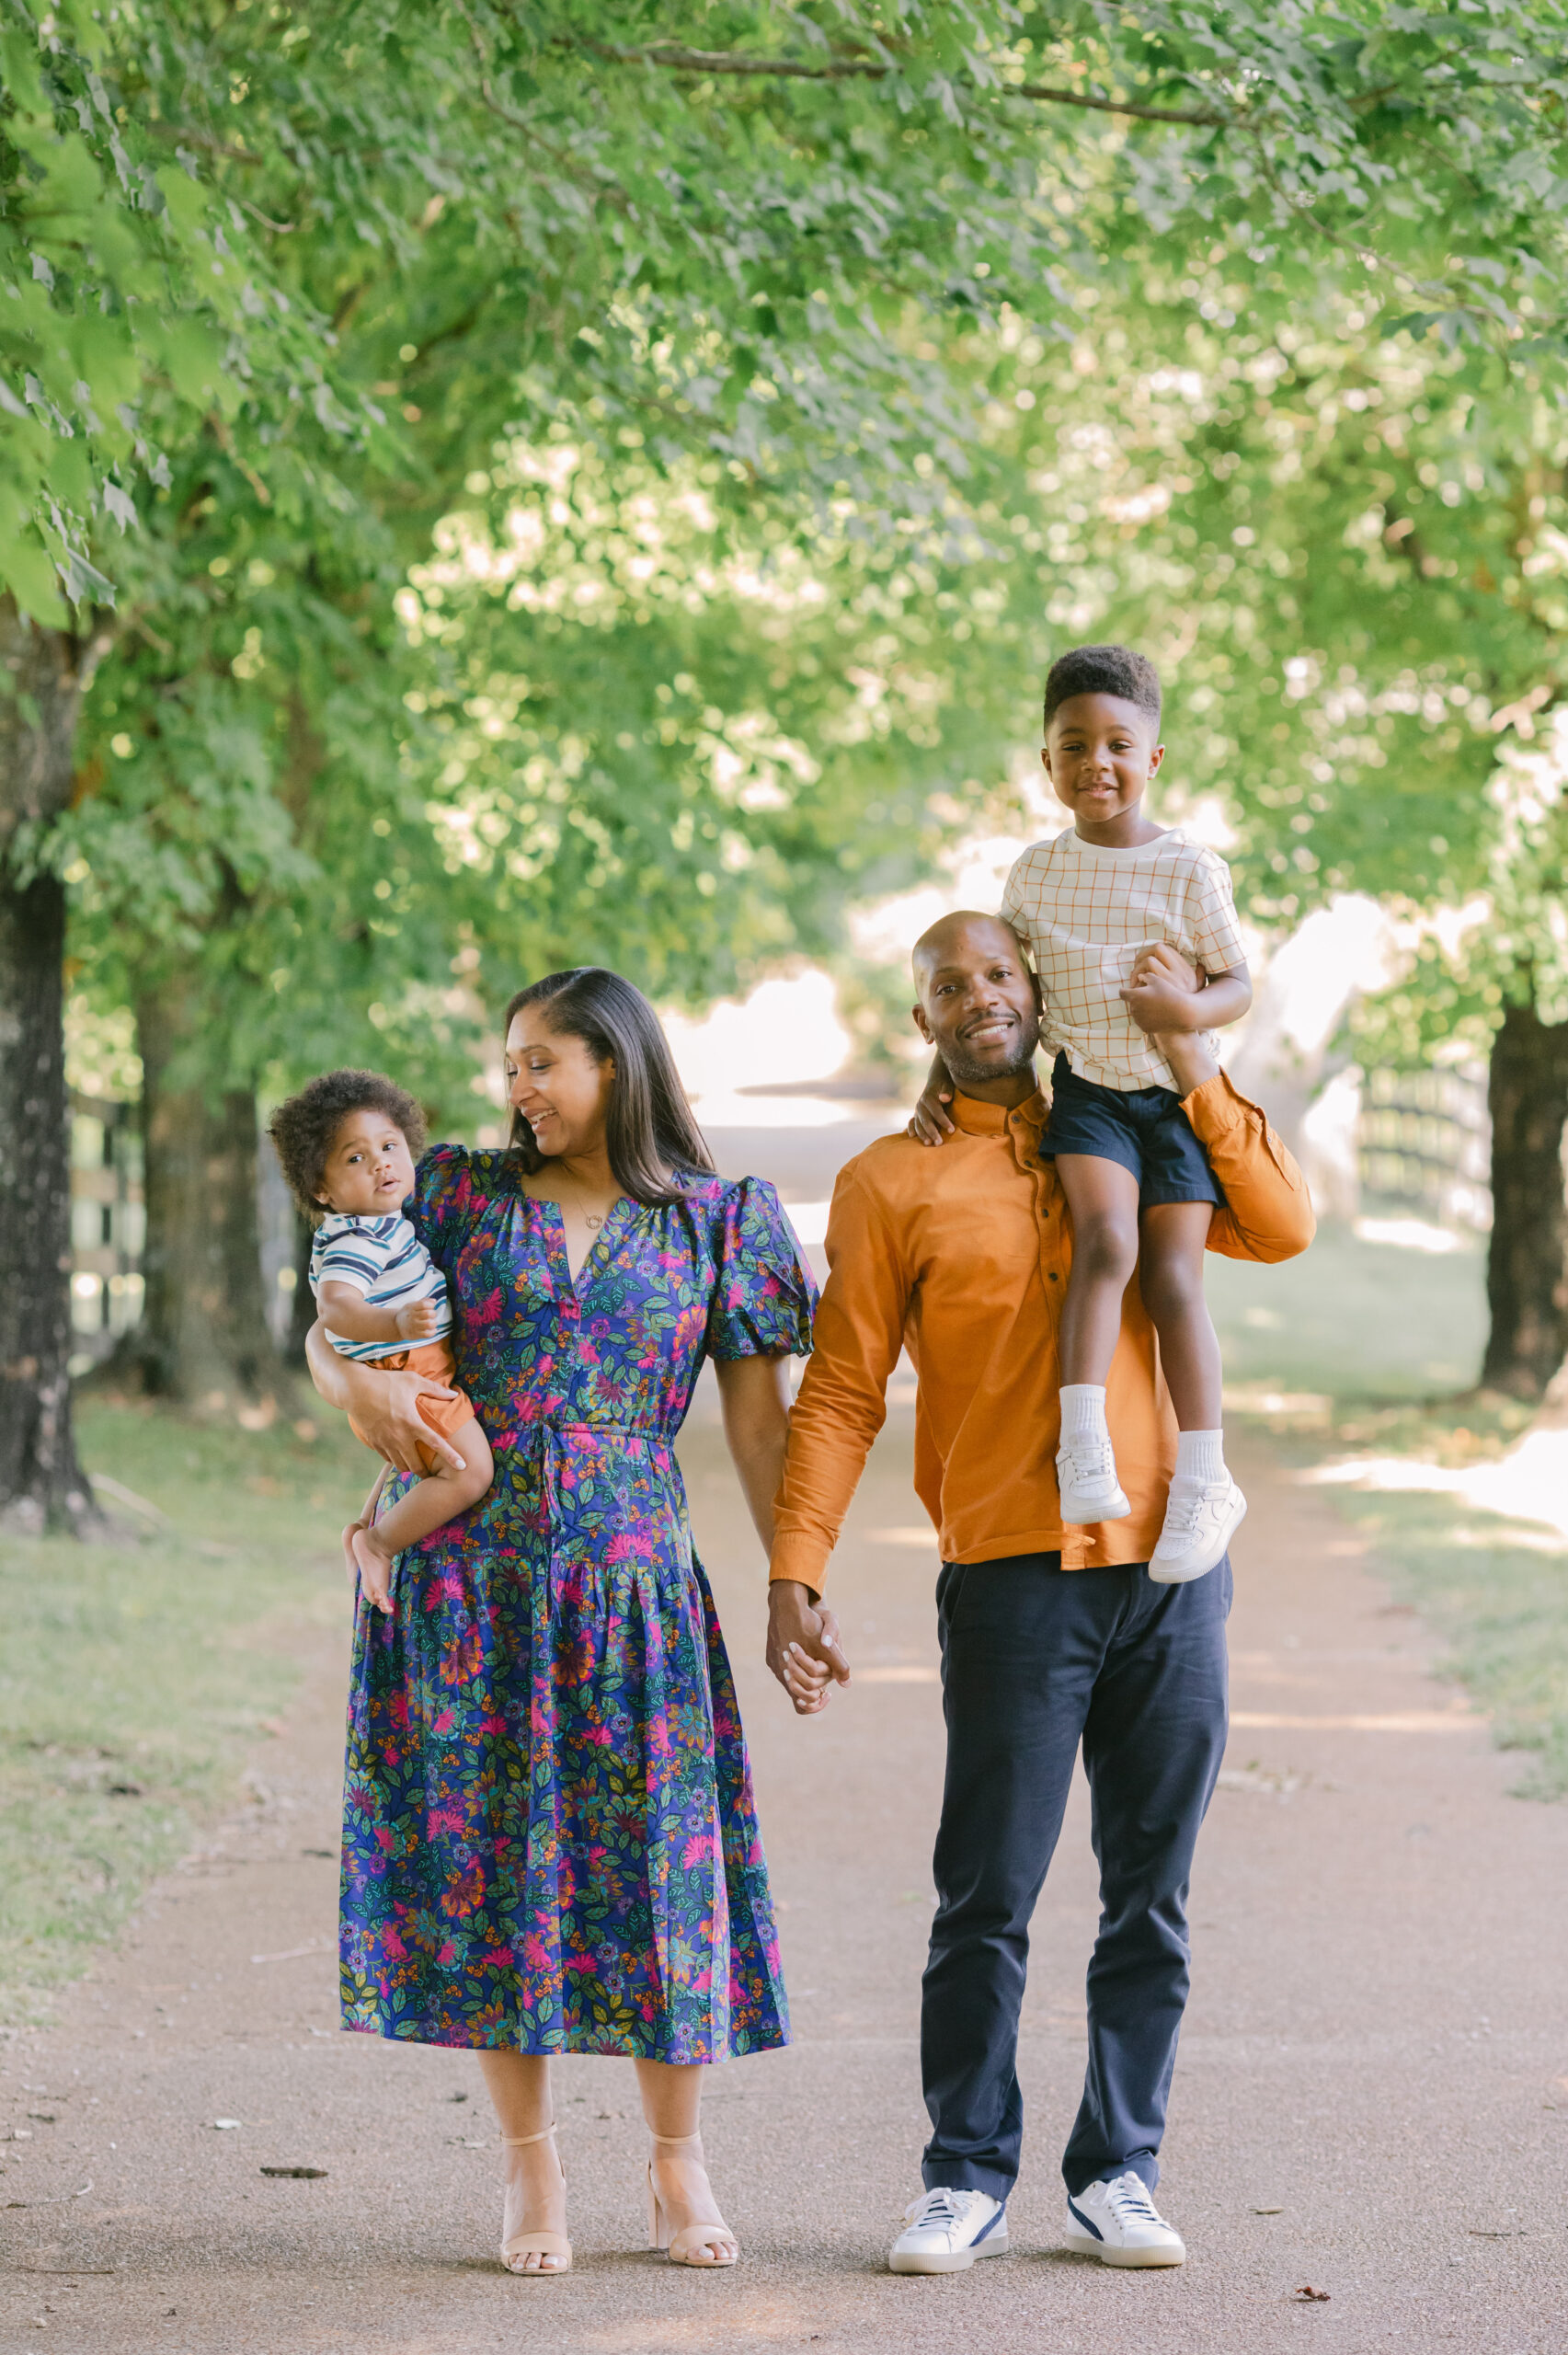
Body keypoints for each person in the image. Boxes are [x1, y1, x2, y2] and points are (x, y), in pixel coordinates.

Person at [767, 912, 1313, 2277]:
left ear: (1036, 987)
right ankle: (962, 2176)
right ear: (923, 1019)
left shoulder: (1132, 1134)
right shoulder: (889, 1184)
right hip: (1011, 1576)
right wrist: (794, 1569)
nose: (978, 998)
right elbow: (841, 1391)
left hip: (1173, 1571)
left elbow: (1286, 1225)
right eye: (948, 985)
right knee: (985, 1895)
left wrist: (1186, 1053)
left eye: (999, 975)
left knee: (1152, 1895)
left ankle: (1119, 2169)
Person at [304, 968, 815, 2277]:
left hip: (637, 1582)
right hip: (472, 1579)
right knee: (497, 1873)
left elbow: (759, 1426)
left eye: (543, 1062)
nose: (517, 1088)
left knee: (662, 1868)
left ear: (617, 1064)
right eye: (511, 1064)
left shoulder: (720, 1218)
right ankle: (532, 2180)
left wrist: (789, 1578)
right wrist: (343, 1389)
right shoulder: (462, 1195)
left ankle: (673, 2167)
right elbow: (339, 1305)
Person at [913, 646, 1253, 1582]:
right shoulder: (1033, 876)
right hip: (1094, 1098)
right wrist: (934, 1073)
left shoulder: (1189, 870)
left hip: (1174, 1101)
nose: (1095, 762)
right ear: (1047, 763)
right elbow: (995, 990)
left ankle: (1204, 1478)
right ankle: (1082, 1446)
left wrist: (1184, 1012)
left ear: (1153, 759)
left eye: (1116, 744)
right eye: (1074, 745)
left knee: (1174, 1280)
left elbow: (1237, 982)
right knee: (1105, 1246)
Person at [269, 1070, 494, 1614]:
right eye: (355, 1158)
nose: (380, 1163)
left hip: (409, 1365)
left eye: (389, 1146)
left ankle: (364, 1524)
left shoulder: (384, 1223)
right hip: (401, 1366)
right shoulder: (357, 1235)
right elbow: (336, 1308)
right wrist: (393, 1325)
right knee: (470, 1474)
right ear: (322, 1190)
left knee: (419, 1459)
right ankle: (378, 1542)